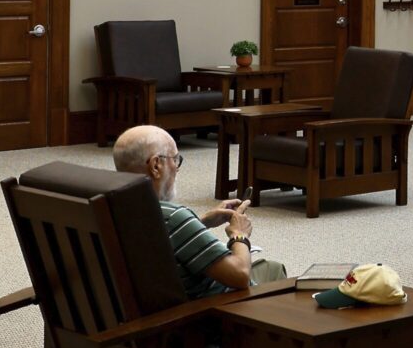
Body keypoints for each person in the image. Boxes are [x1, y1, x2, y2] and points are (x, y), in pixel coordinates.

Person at [111, 125, 288, 297]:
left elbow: (159, 239)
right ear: (156, 165)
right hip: (213, 312)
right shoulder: (173, 217)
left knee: (270, 267)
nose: (177, 168)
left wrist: (199, 223)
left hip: (148, 311)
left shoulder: (113, 208)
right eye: (175, 159)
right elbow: (240, 275)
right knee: (275, 273)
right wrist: (239, 235)